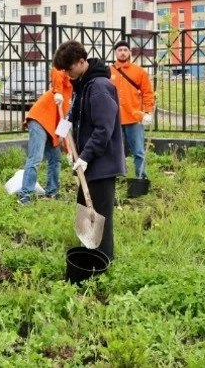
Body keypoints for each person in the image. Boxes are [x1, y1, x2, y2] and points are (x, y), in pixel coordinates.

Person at [53, 40, 125, 262]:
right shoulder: (83, 84)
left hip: (102, 163)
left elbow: (104, 129)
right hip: (90, 161)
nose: (66, 74)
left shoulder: (99, 88)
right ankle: (88, 254)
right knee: (85, 208)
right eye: (63, 71)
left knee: (99, 213)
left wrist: (84, 157)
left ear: (82, 62)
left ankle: (103, 260)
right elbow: (77, 113)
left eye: (69, 69)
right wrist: (65, 126)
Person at [17, 65, 73, 204]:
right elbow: (57, 69)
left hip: (52, 127)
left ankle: (51, 193)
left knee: (56, 159)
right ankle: (25, 195)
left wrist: (69, 151)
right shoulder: (67, 82)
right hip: (39, 120)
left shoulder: (77, 96)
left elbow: (66, 124)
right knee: (36, 157)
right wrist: (59, 92)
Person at [110, 40, 156, 179]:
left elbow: (148, 92)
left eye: (125, 50)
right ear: (115, 53)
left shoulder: (139, 71)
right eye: (120, 50)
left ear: (129, 52)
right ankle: (118, 177)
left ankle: (141, 177)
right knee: (116, 151)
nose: (123, 52)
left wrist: (148, 112)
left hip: (134, 118)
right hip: (115, 118)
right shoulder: (109, 71)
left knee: (139, 151)